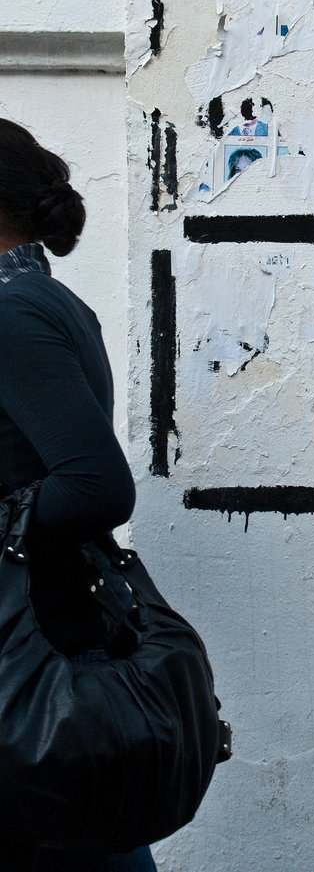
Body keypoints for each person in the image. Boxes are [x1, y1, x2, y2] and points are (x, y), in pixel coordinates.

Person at [0, 119, 157, 872]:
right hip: (51, 635)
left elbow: (97, 483)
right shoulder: (44, 301)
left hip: (29, 645)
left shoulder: (13, 312)